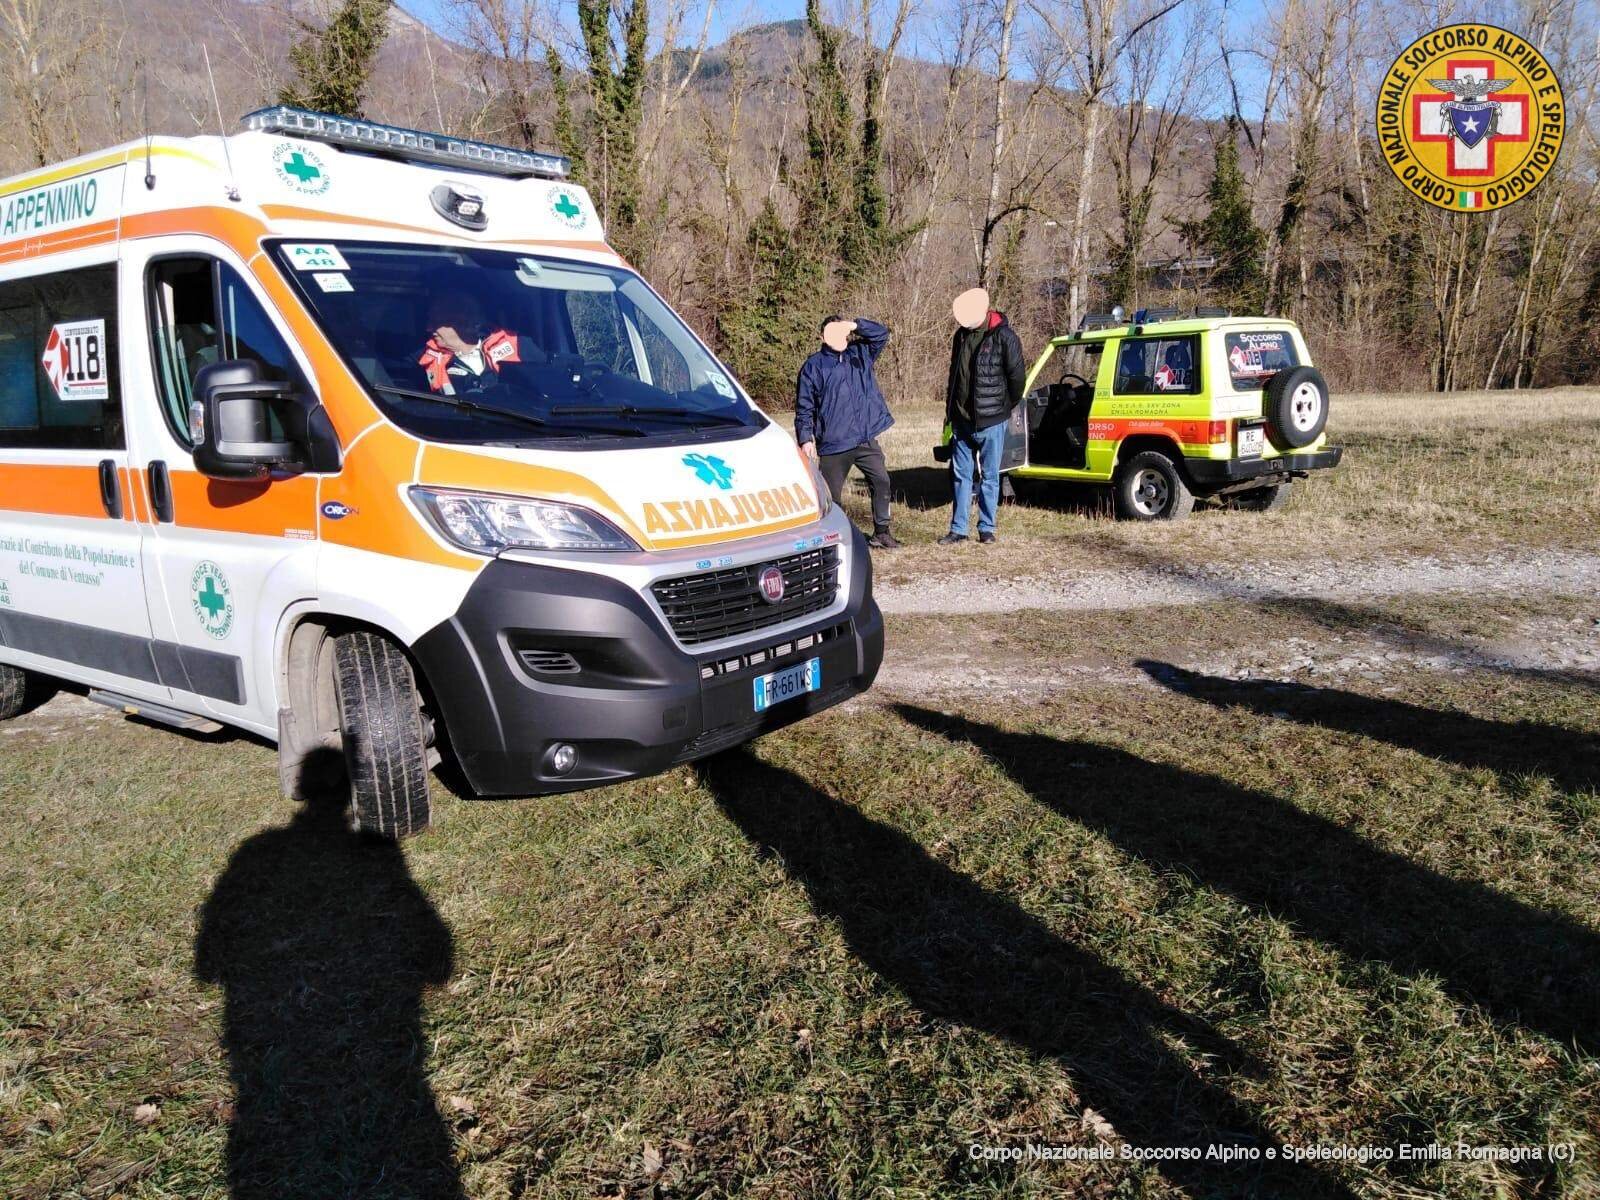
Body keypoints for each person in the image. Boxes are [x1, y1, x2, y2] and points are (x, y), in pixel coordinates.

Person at [795, 315, 900, 549]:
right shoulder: (813, 366)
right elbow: (804, 407)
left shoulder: (860, 354)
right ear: (822, 337)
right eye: (830, 332)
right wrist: (806, 439)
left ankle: (881, 533)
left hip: (864, 438)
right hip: (833, 443)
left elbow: (881, 333)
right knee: (832, 497)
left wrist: (855, 325)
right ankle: (834, 540)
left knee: (881, 481)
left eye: (840, 331)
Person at [940, 287, 1025, 545]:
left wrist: (1003, 408)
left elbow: (1017, 378)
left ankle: (986, 528)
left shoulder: (1005, 337)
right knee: (961, 475)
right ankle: (959, 529)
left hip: (992, 420)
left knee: (990, 476)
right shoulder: (960, 336)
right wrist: (950, 413)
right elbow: (954, 377)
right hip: (962, 420)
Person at [417, 291, 522, 395]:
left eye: (436, 322)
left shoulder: (517, 344)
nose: (428, 328)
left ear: (466, 323)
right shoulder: (423, 356)